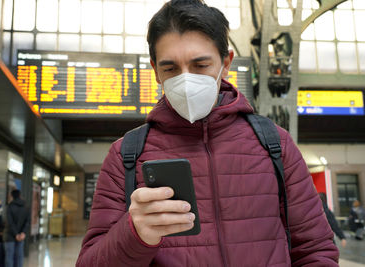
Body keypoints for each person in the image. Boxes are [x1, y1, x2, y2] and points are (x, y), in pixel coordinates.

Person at [77, 0, 339, 266]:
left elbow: (315, 249)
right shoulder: (126, 155)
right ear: (155, 71)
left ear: (226, 63)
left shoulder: (274, 144)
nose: (186, 80)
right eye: (170, 69)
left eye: (200, 65)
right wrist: (133, 234)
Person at [3, 189, 30, 267]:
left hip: (10, 236)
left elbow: (9, 222)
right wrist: (23, 233)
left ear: (11, 196)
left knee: (9, 257)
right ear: (20, 195)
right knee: (19, 257)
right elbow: (27, 221)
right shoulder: (26, 206)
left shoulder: (10, 206)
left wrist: (16, 234)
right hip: (21, 236)